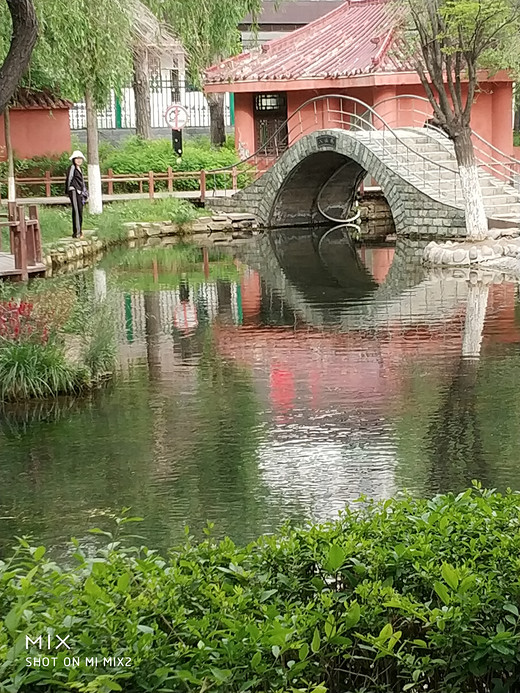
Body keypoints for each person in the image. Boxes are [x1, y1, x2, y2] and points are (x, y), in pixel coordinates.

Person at [65, 150, 88, 238]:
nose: (79, 160)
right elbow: (69, 179)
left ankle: (79, 231)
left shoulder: (80, 169)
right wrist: (67, 191)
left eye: (80, 158)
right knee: (76, 211)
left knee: (80, 210)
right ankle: (77, 233)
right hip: (74, 191)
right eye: (77, 158)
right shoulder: (72, 168)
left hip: (80, 192)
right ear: (73, 159)